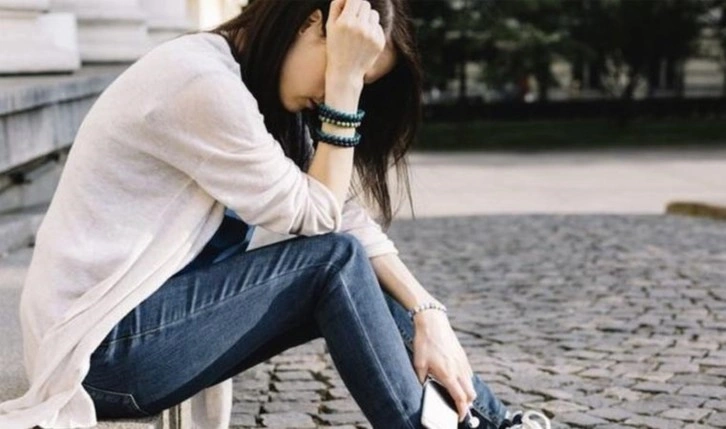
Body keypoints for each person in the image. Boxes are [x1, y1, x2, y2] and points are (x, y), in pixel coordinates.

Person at [0, 0, 551, 428]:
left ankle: (491, 420)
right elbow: (319, 222)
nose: (342, 90)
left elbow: (344, 217)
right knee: (333, 262)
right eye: (346, 67)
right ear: (311, 24)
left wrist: (429, 313)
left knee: (357, 272)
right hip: (100, 354)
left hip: (134, 334)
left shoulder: (250, 91)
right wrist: (342, 93)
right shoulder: (199, 82)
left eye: (360, 81)